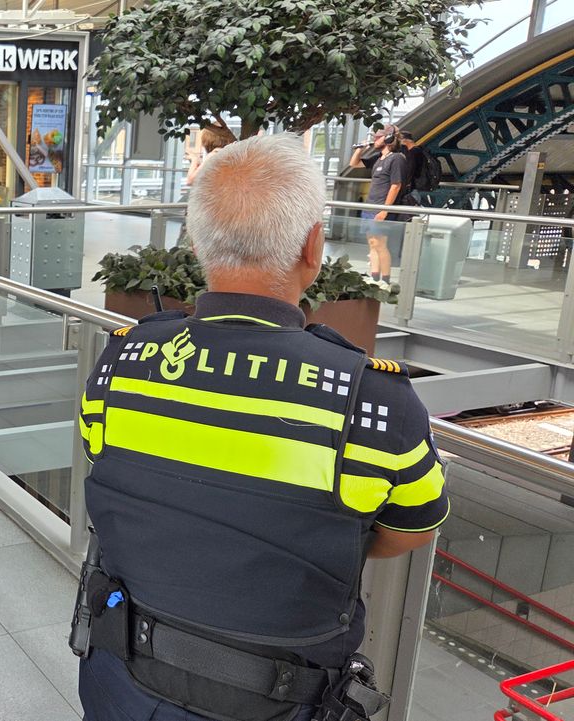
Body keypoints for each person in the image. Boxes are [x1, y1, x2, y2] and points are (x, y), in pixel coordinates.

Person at [75, 134, 447, 721]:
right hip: (276, 701)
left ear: (195, 242)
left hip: (121, 683)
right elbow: (411, 530)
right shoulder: (372, 400)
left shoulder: (122, 361)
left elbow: (113, 467)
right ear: (313, 246)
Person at [349, 125, 408, 288]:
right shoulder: (378, 158)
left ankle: (385, 279)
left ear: (388, 139)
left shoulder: (396, 158)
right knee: (373, 244)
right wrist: (360, 149)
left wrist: (384, 210)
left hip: (381, 207)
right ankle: (374, 278)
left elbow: (396, 185)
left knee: (380, 244)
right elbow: (354, 163)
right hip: (370, 206)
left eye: (378, 137)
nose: (374, 140)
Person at [398, 131, 431, 207]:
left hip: (414, 189)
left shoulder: (412, 153)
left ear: (405, 141)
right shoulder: (420, 150)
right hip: (421, 187)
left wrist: (405, 184)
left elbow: (410, 170)